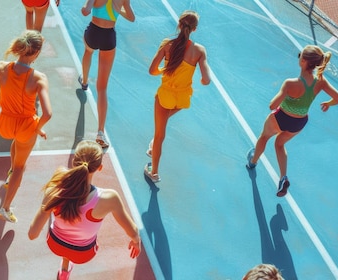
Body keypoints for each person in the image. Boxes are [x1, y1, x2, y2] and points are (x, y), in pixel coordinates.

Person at [0, 30, 52, 223]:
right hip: (26, 127)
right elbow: (47, 114)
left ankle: (10, 176)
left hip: (4, 124)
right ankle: (5, 207)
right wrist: (38, 127)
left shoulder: (0, 68)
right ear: (36, 53)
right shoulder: (39, 78)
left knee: (17, 145)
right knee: (21, 167)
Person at [28, 140, 141, 280]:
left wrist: (49, 210)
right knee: (76, 241)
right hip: (84, 253)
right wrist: (136, 241)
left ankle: (64, 268)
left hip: (55, 244)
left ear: (74, 161)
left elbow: (32, 234)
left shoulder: (55, 190)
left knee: (64, 238)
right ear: (100, 167)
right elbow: (133, 231)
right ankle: (66, 268)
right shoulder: (109, 198)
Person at [246, 45, 338, 196]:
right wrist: (327, 104)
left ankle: (253, 161)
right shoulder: (321, 82)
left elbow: (272, 105)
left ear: (303, 61)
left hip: (281, 117)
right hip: (299, 123)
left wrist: (285, 93)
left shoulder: (290, 83)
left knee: (264, 137)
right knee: (279, 144)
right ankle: (283, 177)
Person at [144, 10, 211, 183]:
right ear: (194, 29)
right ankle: (153, 147)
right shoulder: (199, 50)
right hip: (182, 98)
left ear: (179, 25)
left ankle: (154, 172)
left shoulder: (167, 45)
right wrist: (202, 80)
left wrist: (163, 70)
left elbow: (152, 71)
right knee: (162, 125)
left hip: (165, 96)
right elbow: (206, 79)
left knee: (160, 136)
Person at [78, 0, 135, 149]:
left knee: (88, 51)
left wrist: (90, 6)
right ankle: (100, 132)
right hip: (109, 37)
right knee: (102, 88)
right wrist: (119, 9)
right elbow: (131, 17)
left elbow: (85, 11)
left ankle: (84, 81)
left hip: (93, 32)